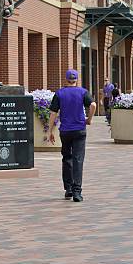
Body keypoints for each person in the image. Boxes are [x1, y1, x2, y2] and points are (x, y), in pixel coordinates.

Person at [48, 69, 96, 202]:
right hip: (79, 129)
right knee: (78, 160)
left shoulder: (60, 93)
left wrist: (49, 131)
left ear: (66, 79)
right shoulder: (83, 92)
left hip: (65, 131)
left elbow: (53, 113)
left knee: (66, 157)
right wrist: (89, 119)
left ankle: (68, 189)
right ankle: (77, 192)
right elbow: (93, 104)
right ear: (76, 80)